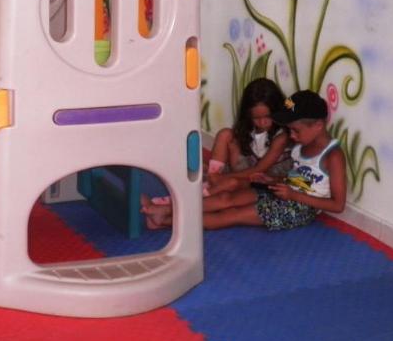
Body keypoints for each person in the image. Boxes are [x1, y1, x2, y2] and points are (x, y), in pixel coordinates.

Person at [141, 89, 347, 231]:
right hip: (283, 191)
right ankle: (167, 209)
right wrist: (273, 180)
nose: (291, 135)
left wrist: (293, 194)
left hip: (299, 208)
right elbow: (297, 177)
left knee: (231, 215)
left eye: (295, 130)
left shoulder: (333, 156)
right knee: (226, 199)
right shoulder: (301, 145)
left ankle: (165, 221)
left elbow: (337, 205)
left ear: (318, 125)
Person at [205, 77, 292, 197]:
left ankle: (218, 183)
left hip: (267, 173)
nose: (262, 123)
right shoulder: (248, 125)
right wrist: (218, 177)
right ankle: (213, 178)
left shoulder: (282, 136)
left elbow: (260, 169)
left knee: (232, 183)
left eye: (268, 117)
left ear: (277, 109)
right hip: (249, 165)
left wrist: (225, 177)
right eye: (256, 118)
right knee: (225, 134)